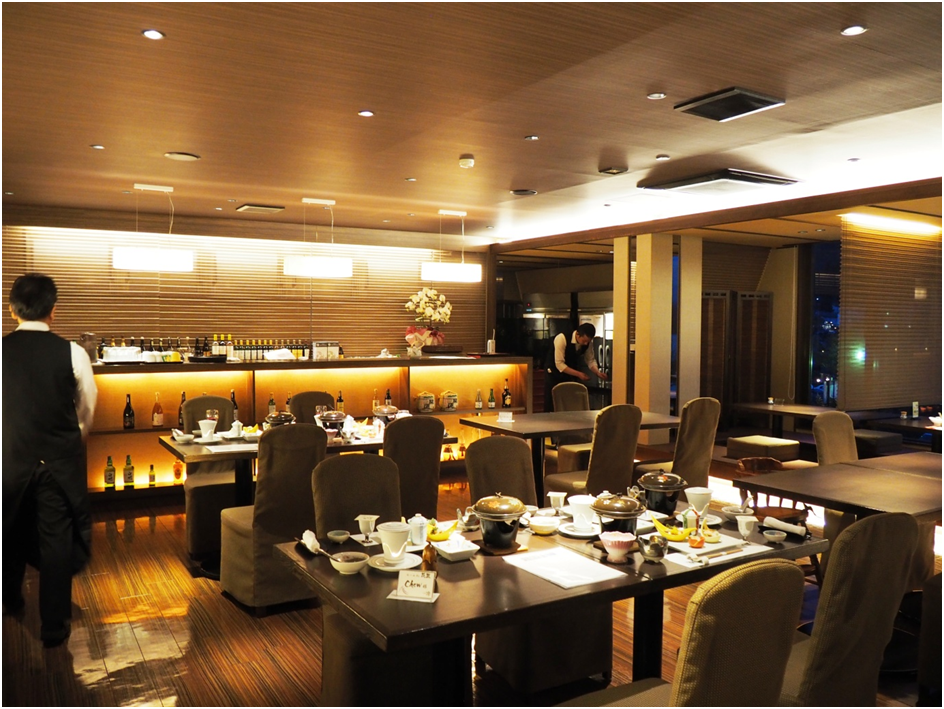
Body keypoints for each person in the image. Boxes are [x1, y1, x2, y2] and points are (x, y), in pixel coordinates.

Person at [2, 273, 97, 647]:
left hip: (10, 459)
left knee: (8, 528)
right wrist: (70, 439)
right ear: (53, 310)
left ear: (12, 310)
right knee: (56, 538)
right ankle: (54, 626)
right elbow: (87, 407)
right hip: (57, 462)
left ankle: (10, 600)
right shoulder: (72, 352)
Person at [544, 322, 608, 412]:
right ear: (577, 334)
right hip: (554, 373)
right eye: (584, 341)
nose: (586, 343)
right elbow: (559, 364)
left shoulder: (588, 343)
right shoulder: (562, 338)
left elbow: (590, 360)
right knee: (552, 403)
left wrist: (597, 372)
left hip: (569, 373)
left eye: (588, 341)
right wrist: (578, 374)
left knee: (569, 402)